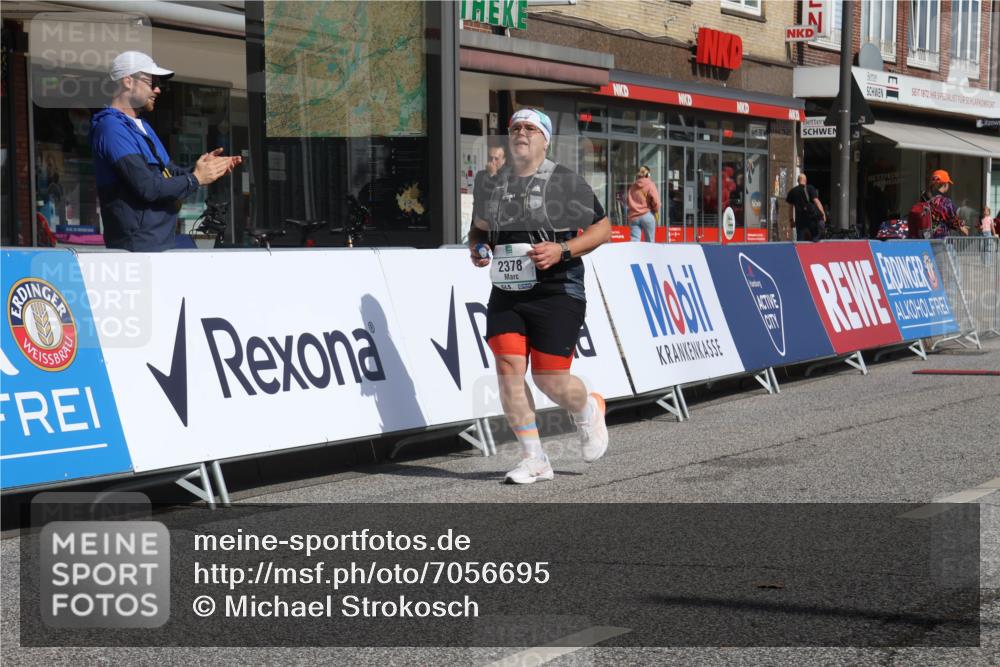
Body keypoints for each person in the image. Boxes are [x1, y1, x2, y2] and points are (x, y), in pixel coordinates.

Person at [468, 109, 612, 485]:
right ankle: (535, 459)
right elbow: (479, 231)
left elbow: (603, 229)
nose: (521, 132)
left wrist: (562, 250)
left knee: (550, 379)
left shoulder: (564, 181)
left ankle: (588, 408)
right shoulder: (492, 184)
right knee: (508, 371)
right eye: (515, 127)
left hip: (557, 289)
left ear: (545, 139)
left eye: (530, 128)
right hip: (508, 291)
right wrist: (479, 248)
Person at [90, 51, 240, 251]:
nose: (158, 89)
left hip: (160, 241)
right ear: (127, 82)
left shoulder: (142, 126)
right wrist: (195, 178)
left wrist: (201, 168)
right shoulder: (111, 128)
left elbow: (168, 173)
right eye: (151, 82)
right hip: (135, 247)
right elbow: (147, 187)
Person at [908, 170, 968, 239]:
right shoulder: (945, 202)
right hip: (939, 242)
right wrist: (962, 227)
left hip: (924, 240)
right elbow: (953, 220)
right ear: (945, 184)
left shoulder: (924, 197)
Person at [786, 173, 827, 242]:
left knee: (800, 241)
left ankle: (801, 252)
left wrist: (791, 220)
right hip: (811, 220)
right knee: (815, 239)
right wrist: (823, 214)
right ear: (806, 180)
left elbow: (790, 208)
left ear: (798, 181)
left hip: (800, 221)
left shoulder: (792, 191)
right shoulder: (810, 188)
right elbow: (817, 202)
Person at [471, 144, 506, 225]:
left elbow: (499, 199)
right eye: (490, 158)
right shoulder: (480, 175)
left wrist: (493, 176)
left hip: (499, 225)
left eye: (496, 158)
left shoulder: (508, 177)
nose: (492, 161)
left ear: (503, 160)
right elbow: (477, 199)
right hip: (480, 221)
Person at [626, 165, 660, 242]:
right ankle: (649, 254)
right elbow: (657, 202)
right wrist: (655, 210)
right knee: (650, 241)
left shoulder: (632, 187)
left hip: (634, 216)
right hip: (647, 214)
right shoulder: (650, 185)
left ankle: (635, 254)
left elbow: (628, 201)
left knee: (634, 242)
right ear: (648, 175)